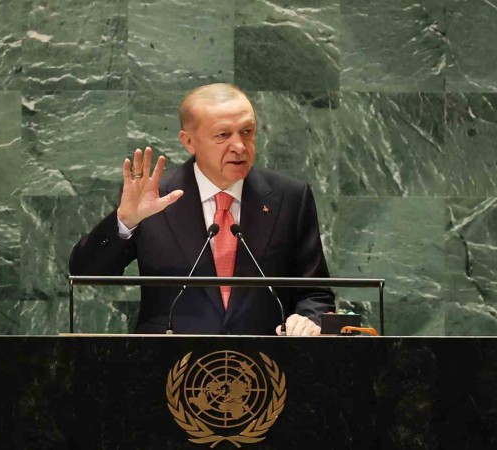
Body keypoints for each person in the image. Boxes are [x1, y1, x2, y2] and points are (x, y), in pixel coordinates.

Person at [69, 83, 334, 335]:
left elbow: (316, 293)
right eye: (223, 135)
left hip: (264, 363)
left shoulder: (289, 197)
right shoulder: (153, 198)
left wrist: (308, 321)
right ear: (189, 141)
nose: (240, 146)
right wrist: (125, 222)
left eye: (247, 131)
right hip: (171, 362)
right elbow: (85, 274)